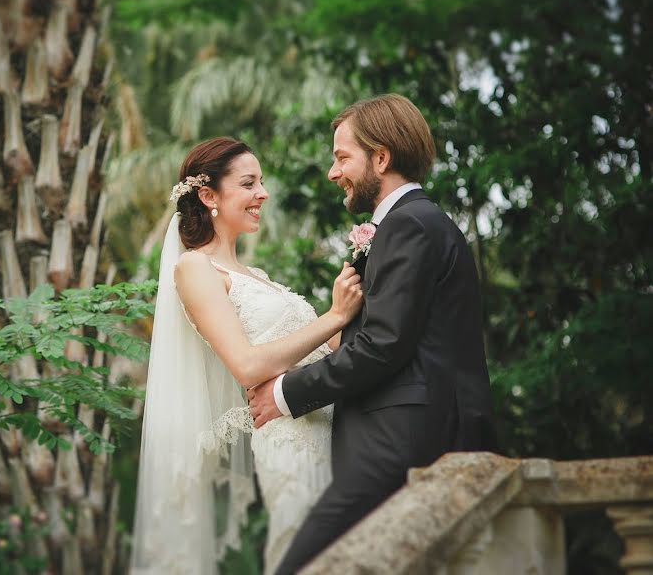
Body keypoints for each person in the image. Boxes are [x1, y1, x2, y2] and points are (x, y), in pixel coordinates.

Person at [248, 93, 498, 574]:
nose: (332, 171)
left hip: (399, 445)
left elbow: (383, 345)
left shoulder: (411, 226)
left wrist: (283, 393)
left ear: (381, 158)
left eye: (342, 157)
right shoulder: (414, 224)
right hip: (396, 441)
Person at [130, 137, 364, 575]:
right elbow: (248, 365)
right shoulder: (195, 269)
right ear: (208, 195)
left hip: (339, 434)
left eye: (262, 182)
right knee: (304, 554)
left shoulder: (256, 277)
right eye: (249, 183)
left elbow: (324, 351)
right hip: (293, 444)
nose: (263, 193)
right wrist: (334, 315)